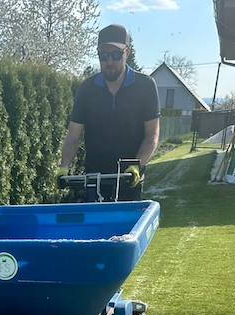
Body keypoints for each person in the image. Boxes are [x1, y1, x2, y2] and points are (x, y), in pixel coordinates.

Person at [58, 24, 160, 201]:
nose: (109, 61)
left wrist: (136, 165)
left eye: (116, 54)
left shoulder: (145, 86)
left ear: (127, 53)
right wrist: (64, 167)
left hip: (129, 180)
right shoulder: (87, 89)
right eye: (104, 55)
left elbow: (152, 135)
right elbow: (73, 136)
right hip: (93, 180)